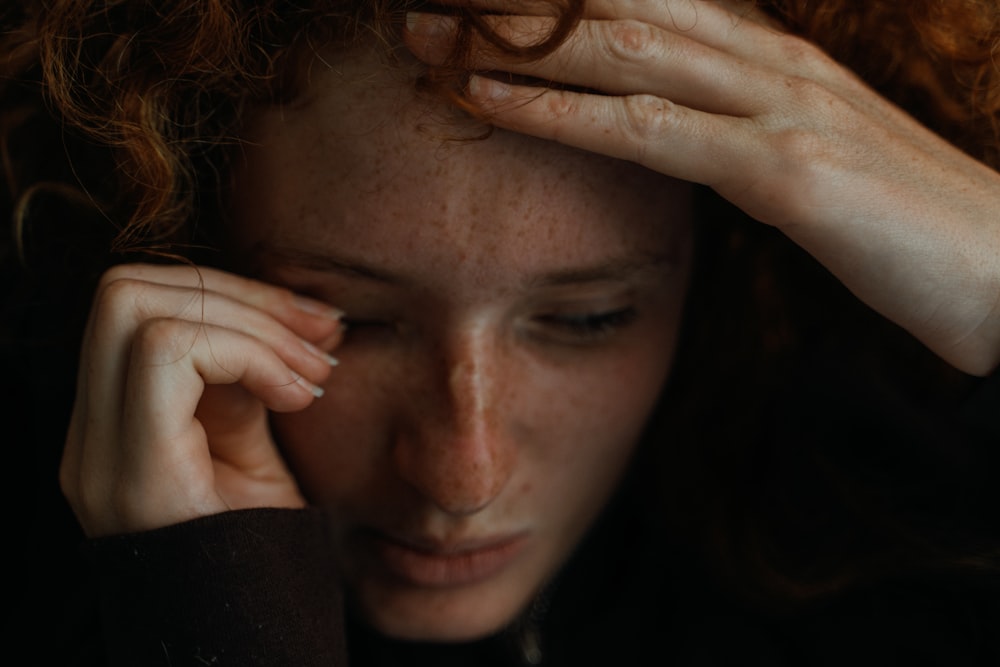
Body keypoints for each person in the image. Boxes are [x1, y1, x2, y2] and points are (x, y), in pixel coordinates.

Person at [2, 0, 999, 664]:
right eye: (352, 319)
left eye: (588, 317)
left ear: (726, 267)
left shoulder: (916, 530)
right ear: (179, 232)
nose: (459, 474)